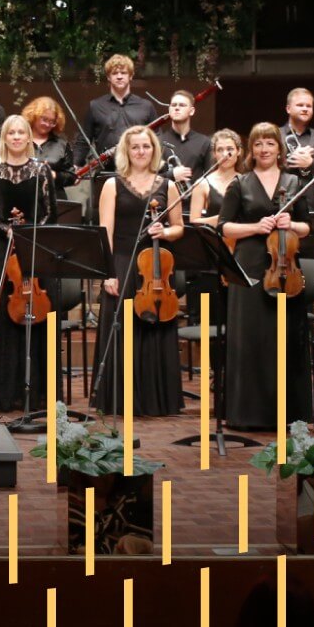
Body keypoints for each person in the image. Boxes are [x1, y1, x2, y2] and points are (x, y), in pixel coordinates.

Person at [220, 123, 313, 430]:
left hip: (286, 267)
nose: (264, 149)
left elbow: (307, 227)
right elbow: (224, 226)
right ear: (251, 149)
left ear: (279, 148)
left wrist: (291, 224)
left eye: (270, 143)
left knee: (285, 339)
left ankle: (288, 415)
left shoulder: (294, 181)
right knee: (251, 340)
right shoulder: (240, 183)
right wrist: (255, 227)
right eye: (258, 144)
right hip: (249, 267)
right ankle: (248, 414)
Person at [92, 126, 184, 417]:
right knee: (121, 328)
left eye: (146, 146)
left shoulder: (168, 185)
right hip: (121, 262)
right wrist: (108, 272)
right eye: (135, 147)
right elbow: (105, 231)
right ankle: (120, 399)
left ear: (154, 150)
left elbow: (179, 228)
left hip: (156, 267)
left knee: (155, 326)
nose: (141, 152)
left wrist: (165, 232)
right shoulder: (112, 185)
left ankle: (157, 400)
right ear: (126, 151)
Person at [0, 115, 58, 413]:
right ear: (4, 137)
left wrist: (28, 232)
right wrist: (6, 229)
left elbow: (50, 212)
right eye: (11, 133)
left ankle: (34, 393)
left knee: (36, 317)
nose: (16, 137)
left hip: (34, 249)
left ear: (28, 137)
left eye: (21, 132)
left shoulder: (41, 170)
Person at [72, 54, 157, 211]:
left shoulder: (146, 106)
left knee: (136, 216)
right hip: (106, 173)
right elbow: (83, 140)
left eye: (123, 73)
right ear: (108, 77)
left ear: (131, 76)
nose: (119, 76)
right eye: (114, 73)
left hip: (138, 174)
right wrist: (76, 165)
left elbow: (156, 141)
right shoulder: (95, 106)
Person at [157, 89, 212, 197]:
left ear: (191, 111)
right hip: (164, 203)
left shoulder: (204, 142)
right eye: (173, 105)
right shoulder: (157, 142)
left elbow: (211, 178)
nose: (177, 108)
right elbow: (147, 178)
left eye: (182, 105)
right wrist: (171, 175)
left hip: (195, 203)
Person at [190, 129, 243, 227]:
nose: (225, 154)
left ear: (238, 151)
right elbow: (194, 221)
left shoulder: (247, 182)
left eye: (230, 149)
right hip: (212, 235)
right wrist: (223, 218)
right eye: (220, 150)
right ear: (214, 154)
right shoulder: (202, 184)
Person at [23, 96, 74, 187]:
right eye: (44, 119)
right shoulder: (20, 140)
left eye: (52, 121)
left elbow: (72, 176)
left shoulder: (62, 144)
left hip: (53, 193)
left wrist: (55, 175)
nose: (47, 124)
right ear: (33, 116)